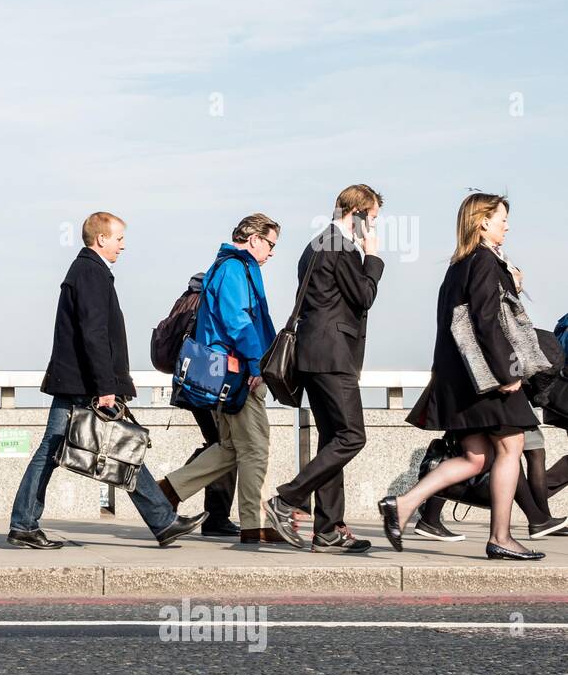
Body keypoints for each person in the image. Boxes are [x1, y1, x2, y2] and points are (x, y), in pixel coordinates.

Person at [7, 212, 205, 550]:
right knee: (117, 445)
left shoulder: (88, 270)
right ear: (101, 239)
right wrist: (105, 386)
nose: (122, 245)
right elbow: (94, 333)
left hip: (76, 380)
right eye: (118, 238)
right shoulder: (90, 272)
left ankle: (161, 520)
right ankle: (161, 520)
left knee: (95, 447)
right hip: (84, 383)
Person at [381, 193, 544, 560]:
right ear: (483, 221)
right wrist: (507, 373)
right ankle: (501, 537)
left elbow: (458, 323)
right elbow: (487, 321)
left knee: (475, 458)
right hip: (488, 379)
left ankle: (403, 505)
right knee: (512, 445)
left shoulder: (459, 265)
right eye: (502, 218)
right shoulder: (486, 262)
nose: (508, 225)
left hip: (460, 379)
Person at [263, 185, 386, 552]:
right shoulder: (341, 247)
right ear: (360, 215)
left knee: (333, 439)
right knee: (352, 436)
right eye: (374, 219)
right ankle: (287, 499)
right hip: (333, 356)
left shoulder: (315, 244)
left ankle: (328, 528)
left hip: (313, 355)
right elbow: (364, 297)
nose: (375, 228)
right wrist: (373, 257)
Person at [157, 214, 282, 545]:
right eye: (270, 244)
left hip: (226, 371)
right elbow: (238, 321)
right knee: (255, 447)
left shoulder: (227, 266)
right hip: (238, 370)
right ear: (253, 239)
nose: (271, 252)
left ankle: (166, 491)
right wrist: (256, 364)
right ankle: (254, 525)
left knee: (228, 448)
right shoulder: (235, 268)